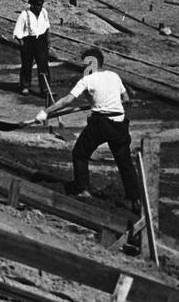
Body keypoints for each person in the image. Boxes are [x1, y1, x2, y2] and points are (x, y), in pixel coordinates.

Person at [36, 48, 142, 213]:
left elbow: (67, 101)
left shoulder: (87, 80)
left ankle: (82, 189)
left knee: (80, 153)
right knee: (125, 162)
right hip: (120, 123)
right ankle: (135, 199)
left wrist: (46, 112)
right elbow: (125, 99)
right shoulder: (114, 76)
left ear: (90, 63)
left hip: (101, 123)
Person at [13, 0, 51, 97]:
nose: (40, 7)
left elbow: (47, 27)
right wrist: (23, 45)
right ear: (32, 5)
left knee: (43, 65)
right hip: (28, 41)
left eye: (41, 5)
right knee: (27, 64)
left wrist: (47, 40)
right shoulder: (24, 15)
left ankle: (45, 89)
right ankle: (25, 86)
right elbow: (17, 32)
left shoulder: (44, 12)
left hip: (41, 40)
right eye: (38, 5)